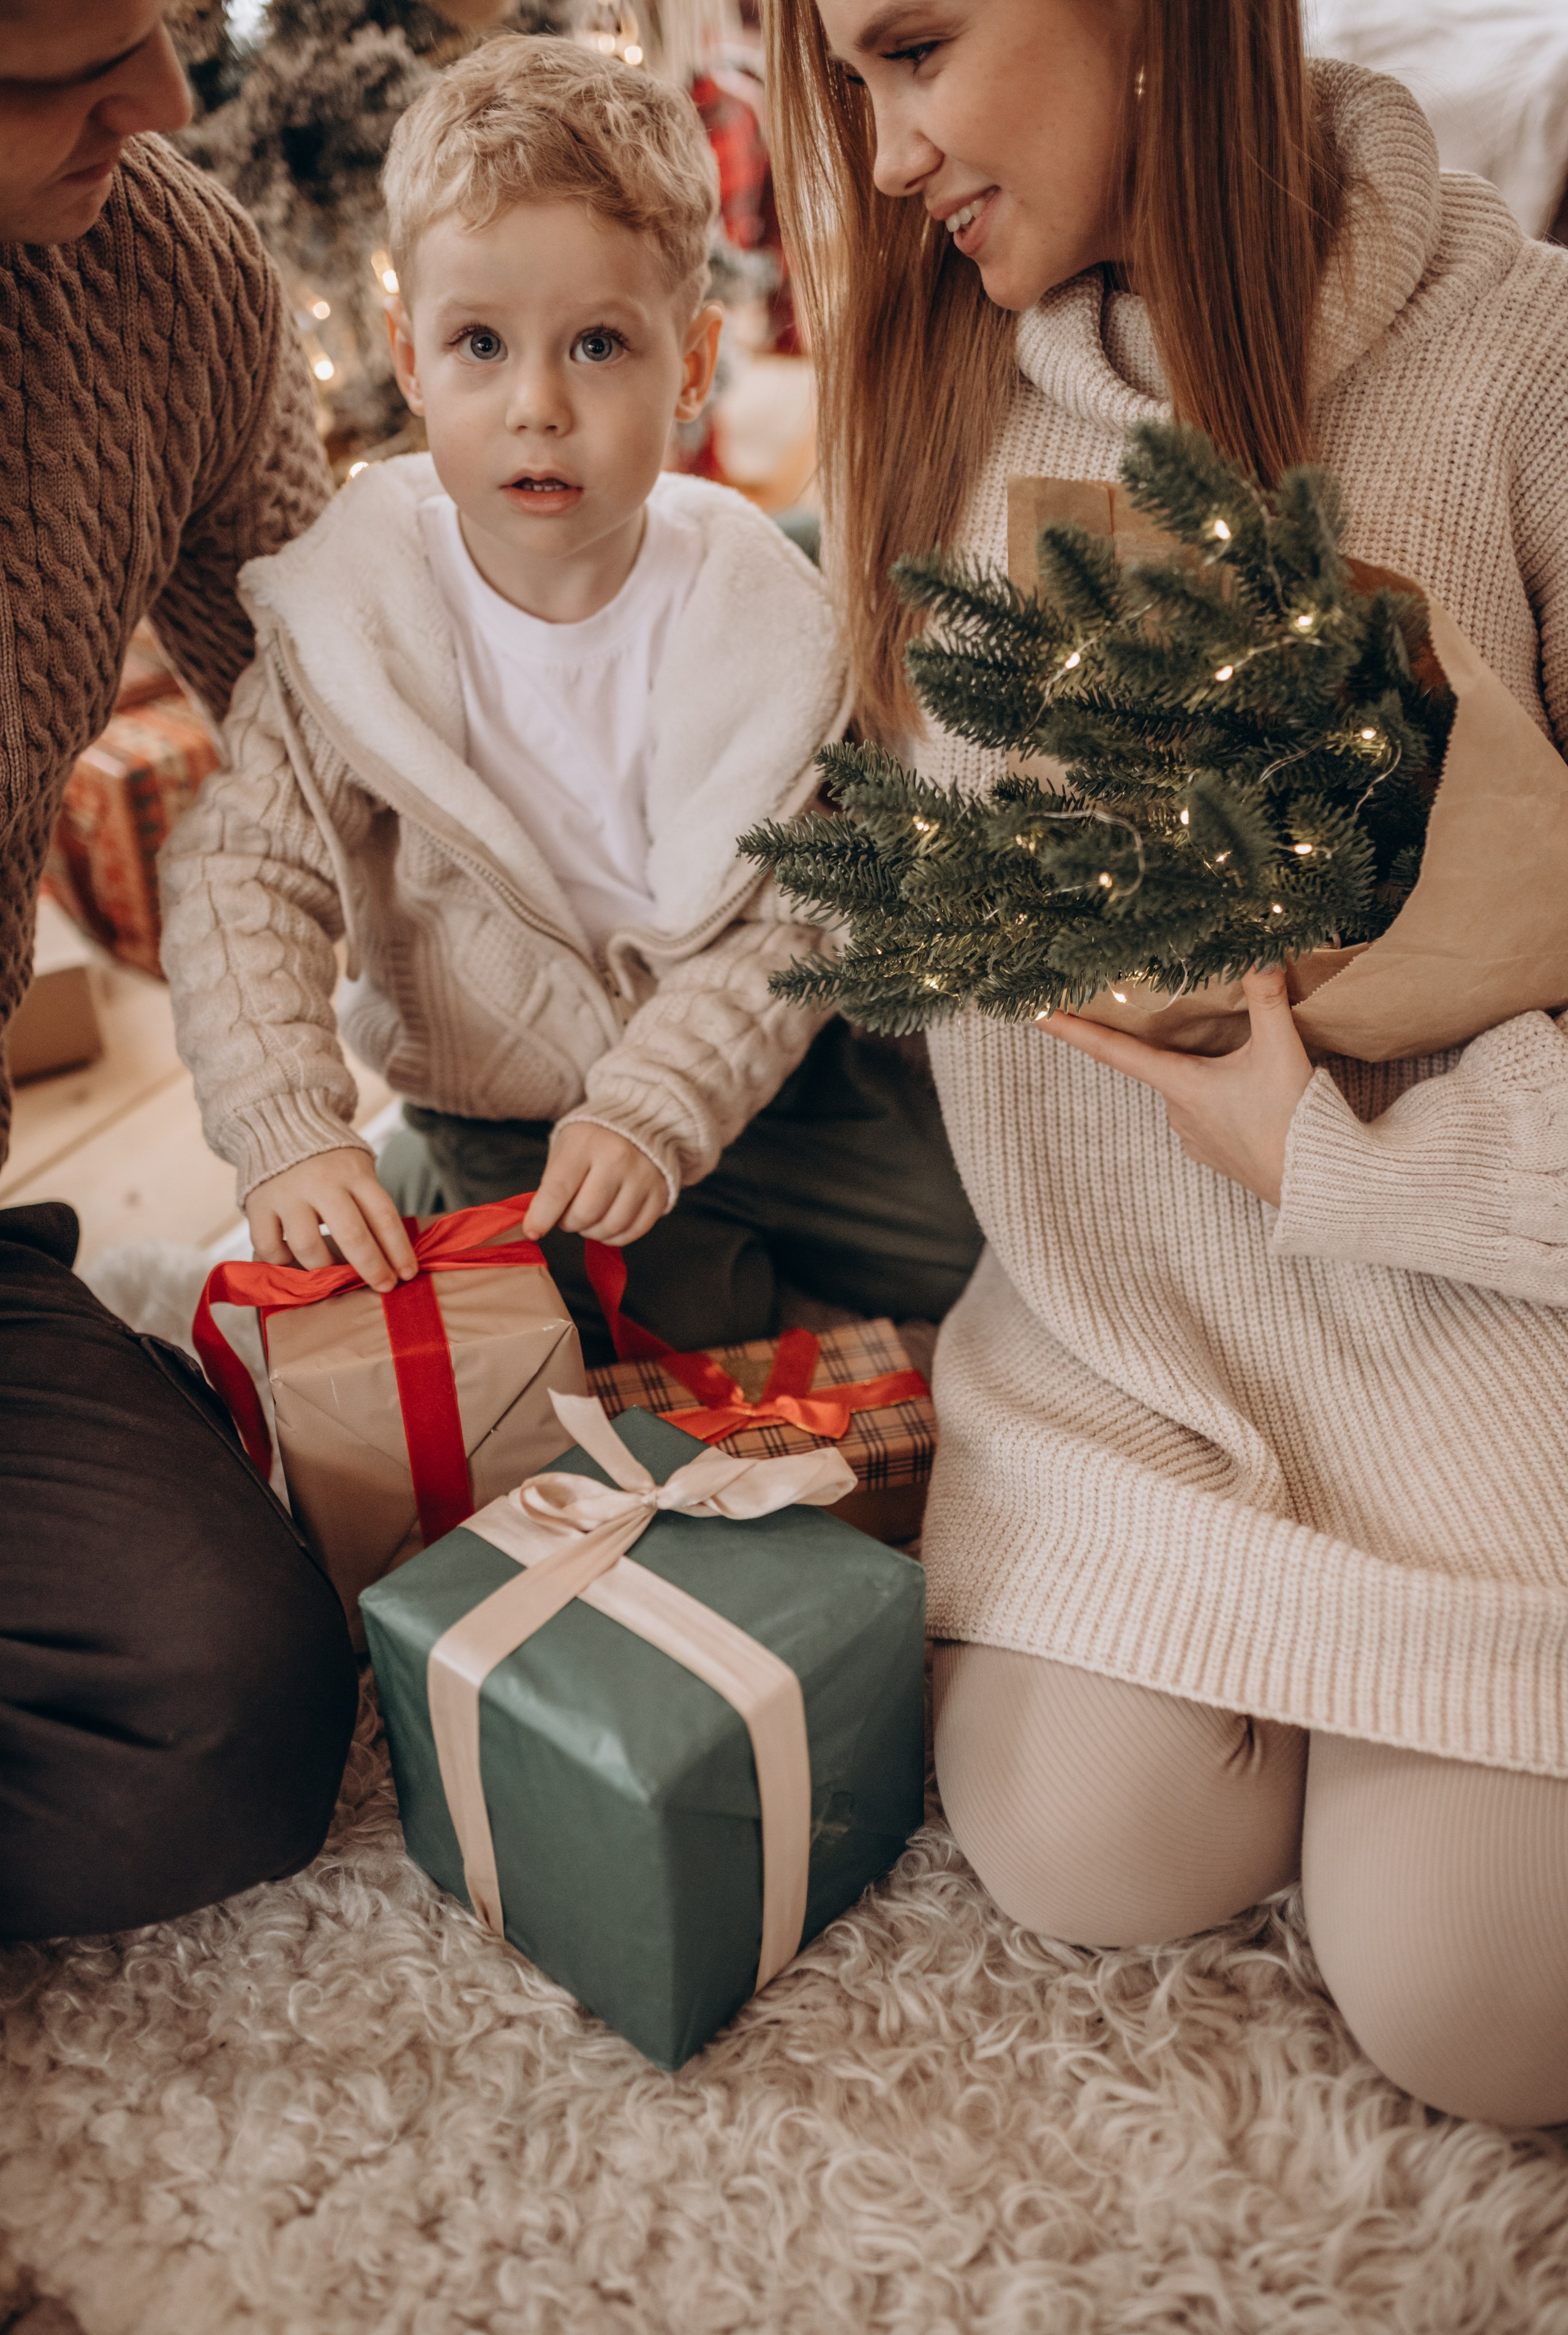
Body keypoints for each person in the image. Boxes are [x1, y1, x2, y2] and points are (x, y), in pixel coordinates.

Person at [765, 0, 1568, 2124]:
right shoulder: (925, 389)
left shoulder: (1524, 364)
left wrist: (1350, 1155)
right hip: (1119, 1347)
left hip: (1486, 1328)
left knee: (1482, 2002)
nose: (886, 153)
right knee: (1089, 1855)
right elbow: (820, 870)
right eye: (845, 85)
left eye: (913, 48)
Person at [159, 34, 982, 1365]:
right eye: (479, 345)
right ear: (409, 357)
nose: (536, 406)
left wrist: (660, 1098)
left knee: (977, 1251)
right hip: (512, 1111)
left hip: (769, 1076)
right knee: (657, 1330)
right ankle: (431, 1182)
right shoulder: (347, 626)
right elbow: (238, 879)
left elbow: (795, 911)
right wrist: (288, 1128)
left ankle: (720, 1228)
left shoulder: (765, 619)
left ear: (692, 364)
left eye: (598, 344)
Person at [0, 0, 358, 1942]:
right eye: (47, 74)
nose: (160, 101)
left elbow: (331, 734)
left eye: (155, 23)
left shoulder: (165, 270)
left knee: (230, 1704)